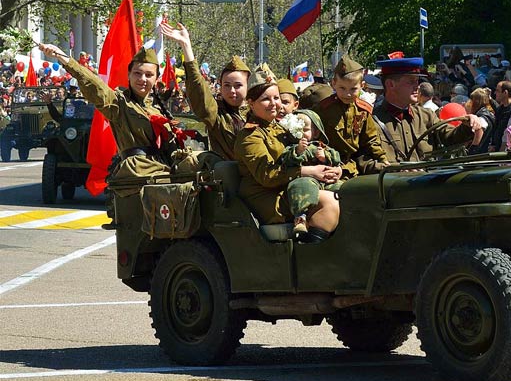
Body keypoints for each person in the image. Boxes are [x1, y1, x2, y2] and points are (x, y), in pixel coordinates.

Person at [39, 42, 180, 188]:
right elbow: (96, 86)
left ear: (156, 78)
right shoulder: (119, 103)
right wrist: (64, 58)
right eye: (137, 73)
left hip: (163, 174)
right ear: (129, 75)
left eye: (149, 75)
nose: (142, 79)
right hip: (136, 177)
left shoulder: (159, 109)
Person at [235, 71, 340, 243]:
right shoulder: (250, 136)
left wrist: (332, 168)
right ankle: (310, 259)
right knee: (328, 202)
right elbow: (267, 176)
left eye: (276, 98)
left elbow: (308, 150)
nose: (274, 104)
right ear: (251, 103)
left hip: (290, 187)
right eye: (265, 99)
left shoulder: (281, 127)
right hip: (265, 197)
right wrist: (308, 171)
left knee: (347, 194)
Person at [161, 22, 253, 160]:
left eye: (238, 85)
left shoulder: (257, 111)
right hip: (230, 176)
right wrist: (186, 46)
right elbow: (199, 90)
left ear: (248, 86)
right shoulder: (217, 114)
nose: (232, 91)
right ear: (220, 86)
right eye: (226, 85)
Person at [372, 55, 480, 162]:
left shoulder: (426, 116)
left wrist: (467, 125)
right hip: (392, 179)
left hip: (424, 177)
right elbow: (367, 162)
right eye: (410, 81)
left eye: (417, 81)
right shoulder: (372, 121)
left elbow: (450, 138)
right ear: (390, 84)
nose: (417, 86)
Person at [314, 54, 388, 179]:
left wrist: (382, 158)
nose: (347, 94)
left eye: (353, 89)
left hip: (354, 165)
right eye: (342, 88)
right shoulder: (323, 109)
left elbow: (371, 139)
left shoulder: (363, 110)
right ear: (333, 84)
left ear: (362, 86)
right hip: (328, 163)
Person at [279, 109, 343, 236]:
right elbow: (287, 160)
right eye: (298, 130)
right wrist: (298, 151)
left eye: (306, 130)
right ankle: (301, 218)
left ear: (316, 132)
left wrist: (325, 157)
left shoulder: (322, 146)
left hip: (326, 181)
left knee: (342, 188)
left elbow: (336, 158)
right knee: (301, 186)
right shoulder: (292, 147)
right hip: (306, 178)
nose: (302, 134)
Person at [465, 87, 494, 154]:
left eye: (471, 100)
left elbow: (476, 142)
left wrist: (470, 152)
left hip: (479, 156)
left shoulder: (482, 118)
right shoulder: (488, 113)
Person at [489, 80, 511, 151]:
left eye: (497, 91)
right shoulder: (501, 108)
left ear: (505, 93)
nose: (495, 93)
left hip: (506, 149)